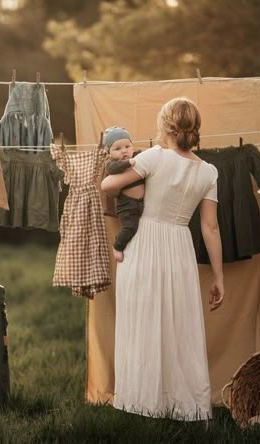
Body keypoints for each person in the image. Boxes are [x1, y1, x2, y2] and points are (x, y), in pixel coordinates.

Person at [101, 97, 225, 421]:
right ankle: (188, 406)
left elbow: (110, 185)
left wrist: (111, 176)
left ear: (165, 126)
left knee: (142, 322)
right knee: (180, 326)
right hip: (180, 247)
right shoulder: (208, 171)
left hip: (143, 244)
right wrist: (218, 278)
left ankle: (141, 404)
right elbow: (210, 228)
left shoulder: (153, 157)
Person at [103, 127, 145, 263]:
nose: (124, 150)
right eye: (118, 149)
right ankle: (117, 246)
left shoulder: (138, 158)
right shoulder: (111, 164)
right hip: (127, 206)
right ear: (109, 152)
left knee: (142, 230)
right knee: (129, 227)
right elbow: (113, 168)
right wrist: (127, 163)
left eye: (127, 146)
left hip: (141, 204)